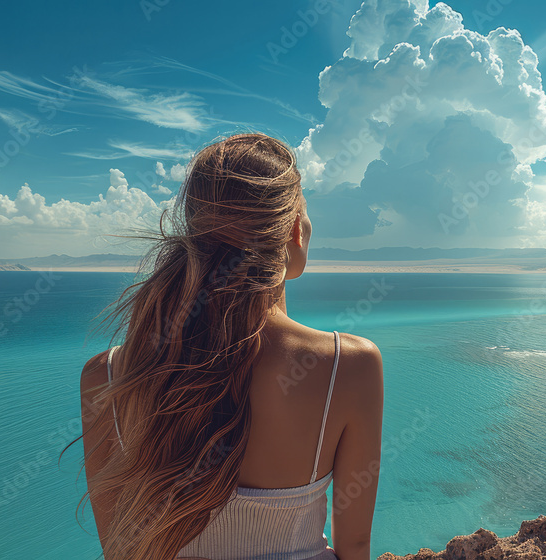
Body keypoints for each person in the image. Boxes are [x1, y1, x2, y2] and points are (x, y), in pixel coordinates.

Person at [74, 133, 384, 560]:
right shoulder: (348, 365)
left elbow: (119, 550)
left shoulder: (104, 376)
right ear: (295, 229)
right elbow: (355, 545)